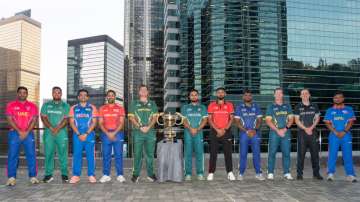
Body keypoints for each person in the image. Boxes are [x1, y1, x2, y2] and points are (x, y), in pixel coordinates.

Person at [5, 86, 40, 186]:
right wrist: (19, 131)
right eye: (20, 92)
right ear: (17, 94)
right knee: (12, 155)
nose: (22, 94)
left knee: (31, 155)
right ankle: (11, 178)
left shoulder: (33, 106)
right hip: (14, 133)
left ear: (27, 94)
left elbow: (34, 120)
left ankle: (33, 176)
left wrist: (26, 132)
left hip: (28, 133)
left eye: (24, 92)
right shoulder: (11, 105)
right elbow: (9, 119)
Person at [324, 91, 357, 182]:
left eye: (339, 97)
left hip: (346, 135)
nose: (337, 99)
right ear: (333, 99)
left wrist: (344, 131)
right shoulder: (330, 110)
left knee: (347, 155)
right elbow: (327, 123)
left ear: (343, 98)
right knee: (332, 155)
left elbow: (351, 122)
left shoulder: (349, 109)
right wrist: (334, 131)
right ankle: (330, 173)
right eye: (336, 98)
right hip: (334, 135)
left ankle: (350, 175)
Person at [128, 85, 158, 183]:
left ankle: (150, 175)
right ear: (139, 92)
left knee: (150, 155)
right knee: (137, 154)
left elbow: (155, 118)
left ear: (147, 92)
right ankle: (135, 175)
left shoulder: (152, 103)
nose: (144, 91)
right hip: (138, 132)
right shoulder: (134, 103)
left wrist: (148, 127)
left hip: (150, 132)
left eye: (145, 90)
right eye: (142, 90)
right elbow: (131, 118)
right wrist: (140, 127)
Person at [41, 86, 70, 183]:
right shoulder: (46, 105)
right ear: (52, 93)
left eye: (58, 92)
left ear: (61, 94)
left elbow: (66, 119)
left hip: (61, 133)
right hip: (49, 133)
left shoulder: (66, 106)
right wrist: (51, 128)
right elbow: (43, 117)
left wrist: (57, 128)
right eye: (55, 92)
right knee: (49, 154)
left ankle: (64, 174)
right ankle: (48, 175)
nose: (57, 94)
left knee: (63, 154)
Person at [234, 89, 265, 181]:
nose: (248, 97)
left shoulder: (256, 106)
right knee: (243, 154)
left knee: (256, 154)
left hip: (255, 133)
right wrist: (247, 131)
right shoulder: (239, 107)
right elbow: (237, 122)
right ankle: (241, 173)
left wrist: (255, 130)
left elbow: (260, 120)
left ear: (251, 97)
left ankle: (258, 173)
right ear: (243, 97)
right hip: (244, 134)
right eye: (246, 95)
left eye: (249, 95)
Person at [69, 89, 98, 184]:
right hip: (77, 134)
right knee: (77, 155)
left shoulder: (92, 108)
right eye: (81, 95)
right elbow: (71, 122)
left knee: (91, 156)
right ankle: (76, 175)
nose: (83, 97)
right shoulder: (73, 108)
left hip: (89, 134)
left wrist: (86, 134)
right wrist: (78, 134)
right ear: (78, 97)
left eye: (85, 95)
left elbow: (94, 123)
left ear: (88, 97)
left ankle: (91, 175)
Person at [294, 89, 323, 180]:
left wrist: (311, 128)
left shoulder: (315, 105)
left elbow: (317, 118)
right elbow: (296, 120)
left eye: (306, 93)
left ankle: (316, 173)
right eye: (303, 94)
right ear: (300, 96)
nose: (305, 95)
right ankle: (299, 174)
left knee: (315, 154)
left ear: (309, 95)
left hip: (313, 132)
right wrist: (305, 128)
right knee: (301, 154)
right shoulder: (297, 106)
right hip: (302, 133)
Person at [265, 88, 294, 180]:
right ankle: (270, 172)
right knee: (272, 153)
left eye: (280, 93)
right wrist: (278, 130)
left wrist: (285, 129)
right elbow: (268, 121)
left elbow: (291, 119)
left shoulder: (287, 106)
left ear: (282, 95)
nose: (278, 95)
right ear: (274, 95)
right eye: (276, 93)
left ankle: (287, 172)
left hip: (286, 132)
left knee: (286, 153)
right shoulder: (270, 106)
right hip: (274, 133)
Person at [207, 87, 235, 181]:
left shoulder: (230, 105)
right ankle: (211, 172)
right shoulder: (211, 105)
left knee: (228, 153)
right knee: (213, 153)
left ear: (225, 94)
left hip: (226, 131)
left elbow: (231, 119)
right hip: (215, 131)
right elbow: (210, 120)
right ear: (216, 94)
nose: (220, 94)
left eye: (222, 92)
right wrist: (218, 130)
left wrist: (224, 129)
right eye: (218, 92)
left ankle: (230, 172)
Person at [98, 90, 126, 183]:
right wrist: (108, 133)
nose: (110, 97)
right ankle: (106, 175)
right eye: (109, 95)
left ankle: (120, 175)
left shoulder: (120, 108)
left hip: (118, 133)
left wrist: (113, 133)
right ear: (107, 97)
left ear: (115, 97)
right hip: (105, 133)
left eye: (112, 95)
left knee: (119, 155)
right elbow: (100, 123)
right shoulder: (102, 108)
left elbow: (122, 123)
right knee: (106, 155)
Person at [181, 89, 208, 181]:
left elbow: (205, 120)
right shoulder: (185, 107)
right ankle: (187, 173)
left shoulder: (203, 107)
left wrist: (197, 129)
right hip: (188, 133)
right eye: (192, 95)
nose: (193, 96)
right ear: (189, 97)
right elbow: (184, 120)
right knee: (187, 153)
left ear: (198, 96)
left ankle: (200, 173)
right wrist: (191, 128)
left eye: (195, 95)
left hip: (199, 133)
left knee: (199, 153)